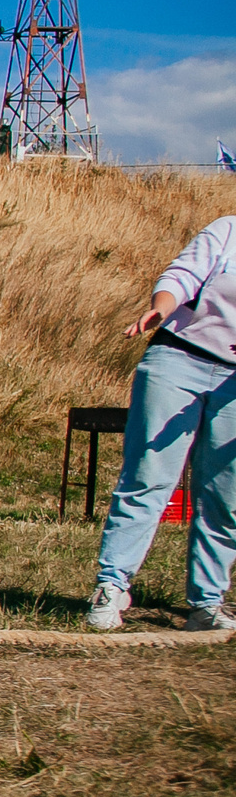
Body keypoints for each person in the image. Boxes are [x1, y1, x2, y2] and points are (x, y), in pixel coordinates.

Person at [85, 217, 236, 633]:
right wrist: (161, 307)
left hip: (234, 383)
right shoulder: (227, 231)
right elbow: (183, 276)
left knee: (224, 495)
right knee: (148, 477)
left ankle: (207, 602)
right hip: (179, 358)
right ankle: (111, 586)